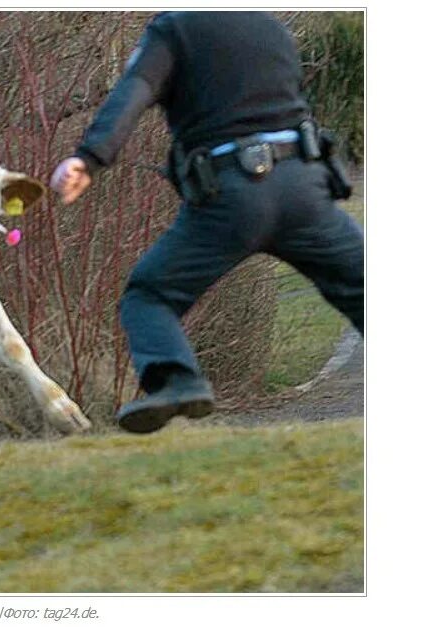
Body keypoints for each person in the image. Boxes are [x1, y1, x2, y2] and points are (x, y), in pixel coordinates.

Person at [50, 11, 364, 434]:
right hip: (304, 186)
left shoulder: (173, 30)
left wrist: (89, 158)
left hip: (231, 195)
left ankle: (177, 381)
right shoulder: (271, 28)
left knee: (149, 295)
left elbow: (134, 90)